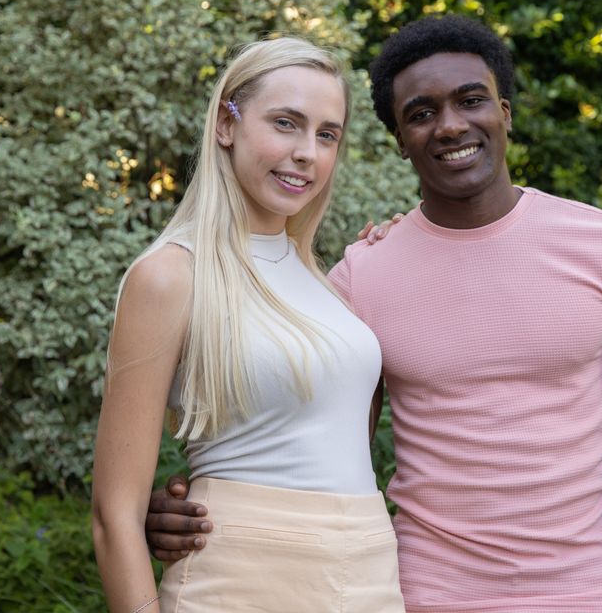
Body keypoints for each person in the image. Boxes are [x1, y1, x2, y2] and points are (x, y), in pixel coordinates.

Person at [145, 15, 602, 612]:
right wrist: (194, 504)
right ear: (400, 140)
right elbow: (309, 450)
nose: (451, 124)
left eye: (471, 100)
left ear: (504, 113)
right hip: (418, 597)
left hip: (586, 595)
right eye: (421, 113)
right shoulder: (358, 279)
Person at [91, 36, 406, 613]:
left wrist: (402, 248)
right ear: (226, 124)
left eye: (326, 134)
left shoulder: (327, 285)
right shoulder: (170, 276)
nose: (307, 151)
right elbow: (115, 516)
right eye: (286, 123)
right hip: (238, 586)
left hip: (368, 581)